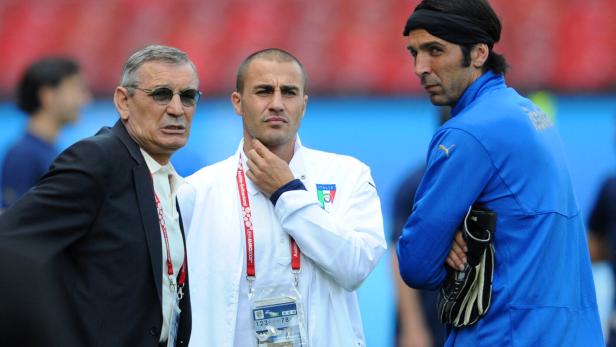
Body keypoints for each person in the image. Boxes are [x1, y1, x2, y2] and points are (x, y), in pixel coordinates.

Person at [395, 0, 604, 346]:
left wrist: (446, 239)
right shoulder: (530, 113)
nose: (420, 67)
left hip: (506, 335)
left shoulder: (467, 131)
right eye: (414, 52)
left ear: (478, 53)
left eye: (435, 50)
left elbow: (416, 263)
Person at [177, 48, 387, 347]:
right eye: (263, 91)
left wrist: (287, 193)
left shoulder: (347, 175)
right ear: (237, 102)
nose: (276, 104)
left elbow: (354, 267)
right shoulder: (197, 191)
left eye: (288, 92)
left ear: (304, 104)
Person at [0, 44, 199, 346]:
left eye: (187, 96)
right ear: (123, 101)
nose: (176, 109)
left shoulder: (167, 177)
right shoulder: (98, 159)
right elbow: (11, 247)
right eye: (160, 94)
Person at [391, 108, 449, 347]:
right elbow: (398, 256)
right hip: (429, 324)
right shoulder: (417, 185)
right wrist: (413, 326)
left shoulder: (491, 185)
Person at [1, 57, 90, 208]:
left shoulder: (49, 151)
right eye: (77, 89)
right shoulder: (23, 155)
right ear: (48, 95)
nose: (86, 100)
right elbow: (12, 220)